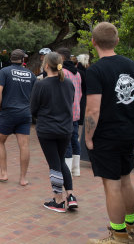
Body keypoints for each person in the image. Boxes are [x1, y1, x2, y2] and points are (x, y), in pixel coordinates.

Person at [85, 22, 134, 244]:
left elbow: (93, 109)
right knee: (126, 180)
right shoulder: (132, 65)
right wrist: (132, 123)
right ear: (116, 41)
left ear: (94, 42)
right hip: (128, 132)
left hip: (106, 135)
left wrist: (88, 138)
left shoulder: (96, 71)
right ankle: (130, 227)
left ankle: (118, 236)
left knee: (112, 185)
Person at [31, 52, 78, 213]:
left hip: (47, 129)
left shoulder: (41, 85)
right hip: (65, 129)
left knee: (54, 164)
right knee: (60, 161)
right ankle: (70, 195)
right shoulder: (69, 84)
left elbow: (33, 109)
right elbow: (70, 103)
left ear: (46, 66)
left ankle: (58, 200)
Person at [0, 49, 36, 185]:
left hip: (8, 112)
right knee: (24, 145)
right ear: (23, 60)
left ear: (11, 58)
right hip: (25, 113)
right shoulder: (31, 74)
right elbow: (35, 95)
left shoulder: (4, 71)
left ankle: (3, 173)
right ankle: (23, 178)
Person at [58, 47, 84, 177]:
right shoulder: (77, 73)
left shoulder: (62, 72)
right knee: (74, 139)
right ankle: (76, 169)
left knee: (66, 141)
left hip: (65, 112)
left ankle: (66, 170)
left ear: (61, 57)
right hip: (76, 110)